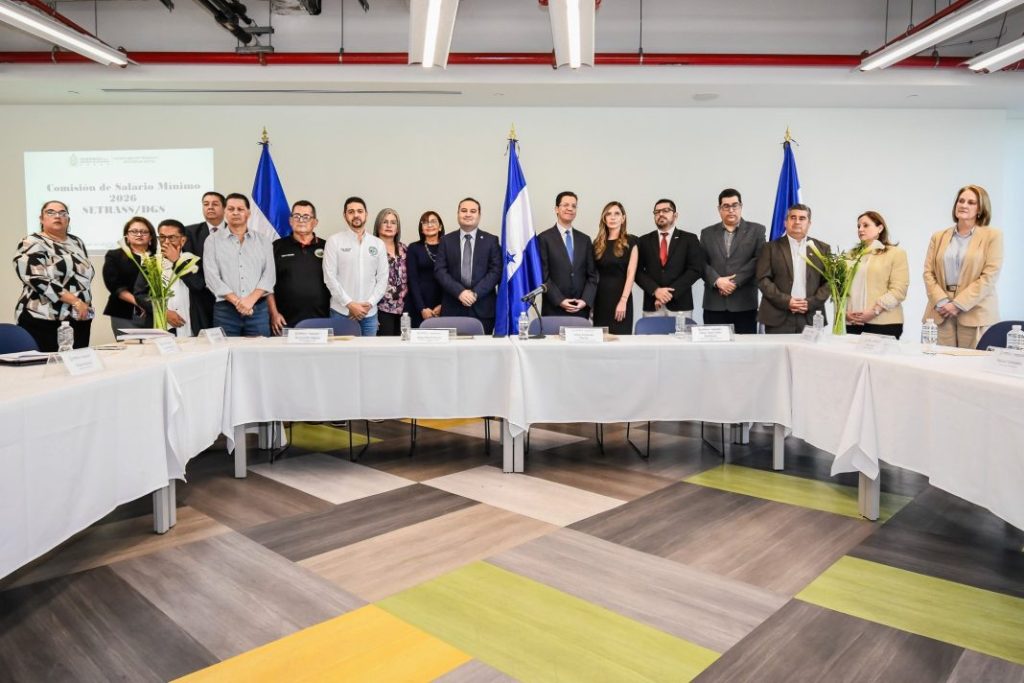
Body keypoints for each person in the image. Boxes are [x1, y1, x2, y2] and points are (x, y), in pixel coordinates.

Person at [922, 184, 1003, 349]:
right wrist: (942, 302)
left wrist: (958, 304)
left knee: (973, 362)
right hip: (941, 311)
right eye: (961, 201)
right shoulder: (938, 237)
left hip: (976, 312)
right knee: (940, 362)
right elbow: (928, 273)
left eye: (971, 202)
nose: (964, 205)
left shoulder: (993, 236)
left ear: (980, 209)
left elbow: (989, 276)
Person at [13, 200, 94, 351]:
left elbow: (82, 279)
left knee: (77, 364)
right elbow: (36, 279)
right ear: (41, 219)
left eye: (62, 213)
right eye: (51, 212)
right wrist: (75, 301)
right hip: (43, 318)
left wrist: (83, 305)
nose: (57, 216)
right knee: (47, 365)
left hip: (78, 318)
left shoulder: (77, 242)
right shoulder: (31, 242)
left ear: (68, 219)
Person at [203, 193, 275, 337]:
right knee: (225, 350)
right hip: (225, 311)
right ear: (225, 212)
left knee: (260, 349)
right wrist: (239, 303)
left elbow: (269, 275)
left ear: (248, 213)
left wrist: (250, 301)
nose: (235, 212)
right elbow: (212, 278)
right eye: (231, 209)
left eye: (240, 209)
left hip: (257, 310)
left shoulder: (263, 240)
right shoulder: (212, 241)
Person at [756, 204, 831, 333]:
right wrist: (786, 301)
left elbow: (830, 282)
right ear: (785, 222)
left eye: (802, 218)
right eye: (793, 217)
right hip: (777, 317)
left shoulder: (823, 249)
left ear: (809, 223)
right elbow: (763, 280)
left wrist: (810, 303)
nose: (797, 222)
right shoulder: (770, 248)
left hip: (811, 316)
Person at [699, 189, 766, 334]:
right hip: (714, 304)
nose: (731, 210)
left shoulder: (757, 230)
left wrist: (733, 282)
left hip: (744, 303)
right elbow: (700, 262)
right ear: (719, 209)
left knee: (746, 347)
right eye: (726, 206)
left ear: (741, 206)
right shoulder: (707, 233)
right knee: (714, 347)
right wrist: (717, 281)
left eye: (735, 205)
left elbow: (759, 260)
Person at [434, 197, 502, 333]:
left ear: (479, 215)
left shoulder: (491, 241)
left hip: (483, 309)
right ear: (458, 214)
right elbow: (440, 271)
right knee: (452, 346)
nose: (468, 214)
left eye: (473, 211)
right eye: (464, 210)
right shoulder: (446, 241)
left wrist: (475, 293)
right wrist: (460, 292)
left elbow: (496, 271)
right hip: (452, 308)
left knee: (482, 347)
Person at [323, 196, 388, 337]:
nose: (356, 215)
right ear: (345, 215)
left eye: (360, 211)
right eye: (351, 212)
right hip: (341, 312)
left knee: (369, 351)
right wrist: (349, 304)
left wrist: (369, 304)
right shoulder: (334, 241)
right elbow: (329, 277)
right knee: (342, 351)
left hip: (369, 314)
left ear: (366, 214)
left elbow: (383, 279)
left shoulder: (378, 244)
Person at [267, 201, 330, 335]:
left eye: (306, 217)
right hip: (284, 321)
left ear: (315, 222)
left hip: (322, 319)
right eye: (296, 216)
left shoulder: (328, 247)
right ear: (290, 221)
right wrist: (274, 313)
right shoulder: (276, 247)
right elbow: (267, 284)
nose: (301, 220)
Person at [134, 220, 206, 337]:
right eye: (162, 237)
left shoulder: (194, 260)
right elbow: (140, 294)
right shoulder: (151, 263)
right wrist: (163, 311)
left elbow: (198, 286)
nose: (166, 242)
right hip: (161, 326)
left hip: (192, 326)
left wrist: (177, 261)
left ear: (183, 240)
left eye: (171, 237)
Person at [635, 198, 704, 320]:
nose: (661, 214)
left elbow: (695, 270)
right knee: (651, 333)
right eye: (657, 212)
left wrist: (669, 294)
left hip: (680, 305)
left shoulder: (689, 239)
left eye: (666, 210)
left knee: (681, 334)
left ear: (675, 215)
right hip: (652, 304)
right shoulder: (643, 241)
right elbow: (637, 271)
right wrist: (655, 290)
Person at [845, 211, 909, 339]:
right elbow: (842, 288)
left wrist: (875, 311)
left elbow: (899, 290)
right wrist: (845, 313)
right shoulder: (850, 255)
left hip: (884, 323)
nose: (860, 229)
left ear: (880, 228)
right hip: (853, 322)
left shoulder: (895, 253)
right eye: (858, 226)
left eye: (865, 225)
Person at [537, 191, 599, 318]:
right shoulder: (543, 238)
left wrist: (585, 300)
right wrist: (559, 300)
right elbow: (543, 275)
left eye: (574, 206)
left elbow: (592, 275)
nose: (570, 208)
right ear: (556, 209)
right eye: (565, 205)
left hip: (580, 309)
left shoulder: (585, 240)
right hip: (554, 309)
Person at [102, 216, 156, 335]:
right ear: (126, 235)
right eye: (134, 231)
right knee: (131, 345)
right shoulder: (115, 255)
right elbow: (114, 285)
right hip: (124, 311)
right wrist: (139, 303)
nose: (139, 234)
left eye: (144, 232)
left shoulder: (158, 257)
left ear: (151, 236)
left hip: (154, 311)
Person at [592, 201, 638, 334]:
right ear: (604, 218)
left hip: (621, 298)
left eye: (617, 214)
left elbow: (631, 273)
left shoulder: (631, 241)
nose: (612, 217)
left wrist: (623, 300)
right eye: (608, 214)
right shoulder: (597, 244)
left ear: (623, 218)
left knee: (621, 340)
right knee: (600, 339)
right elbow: (593, 274)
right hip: (600, 300)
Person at [185, 191, 226, 330]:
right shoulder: (190, 232)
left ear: (224, 208)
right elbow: (189, 264)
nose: (210, 207)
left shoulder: (235, 231)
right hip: (201, 296)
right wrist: (205, 285)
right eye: (206, 204)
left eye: (215, 204)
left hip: (230, 296)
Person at [373, 208, 409, 336]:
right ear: (378, 225)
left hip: (403, 310)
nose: (389, 225)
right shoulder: (371, 248)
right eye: (385, 222)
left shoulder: (404, 249)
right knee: (384, 346)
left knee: (402, 345)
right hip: (380, 309)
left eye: (393, 222)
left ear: (397, 228)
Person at [406, 210, 445, 328]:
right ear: (421, 228)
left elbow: (452, 278)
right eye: (425, 222)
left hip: (443, 304)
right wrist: (422, 308)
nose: (429, 225)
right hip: (418, 303)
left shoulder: (448, 246)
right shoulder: (413, 248)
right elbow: (412, 280)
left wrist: (444, 305)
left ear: (440, 227)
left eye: (433, 221)